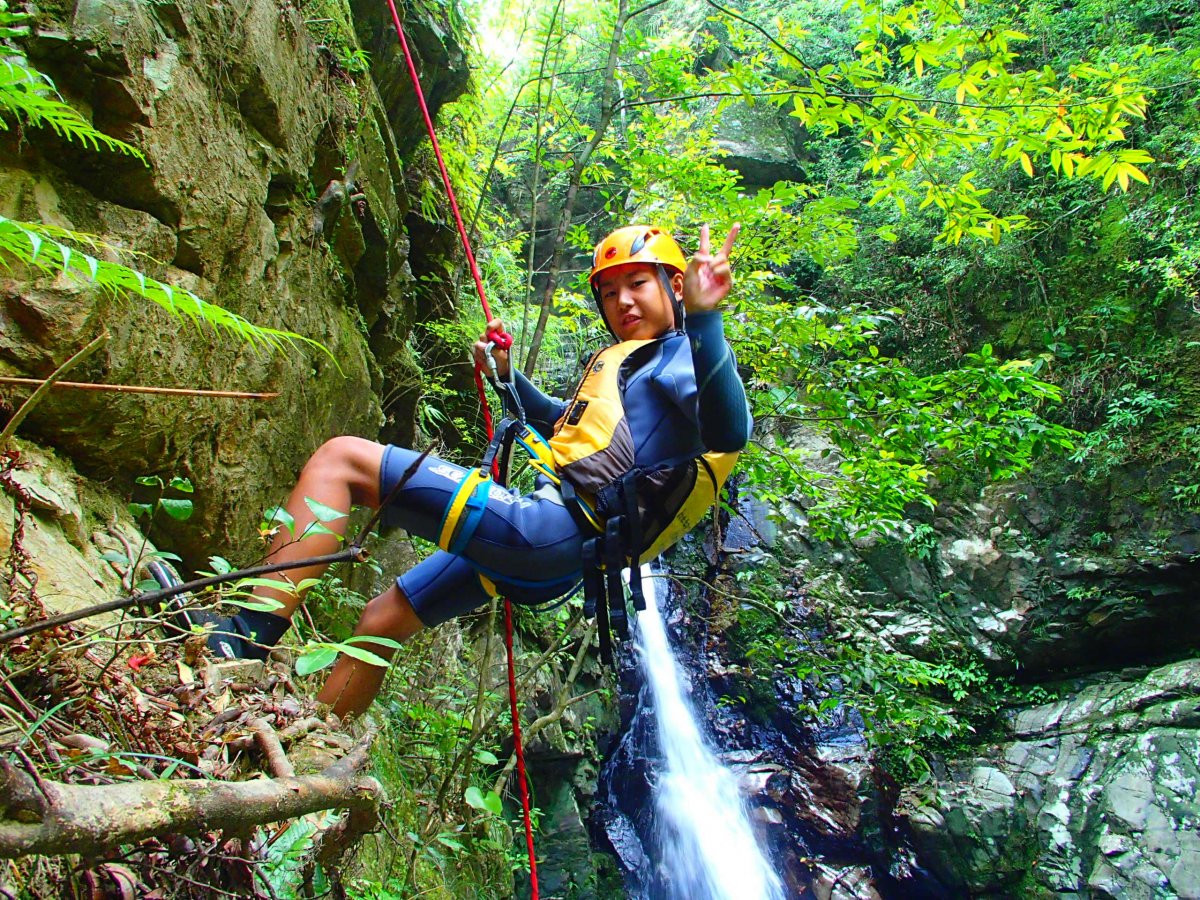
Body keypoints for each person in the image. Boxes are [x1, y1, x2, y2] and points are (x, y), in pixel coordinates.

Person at [200, 223, 751, 719]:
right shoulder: (636, 364)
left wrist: (707, 320)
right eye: (609, 292)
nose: (622, 301)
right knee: (384, 618)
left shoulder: (683, 356)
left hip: (551, 530)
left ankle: (239, 642)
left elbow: (729, 432)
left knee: (341, 459)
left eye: (637, 284)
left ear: (676, 287)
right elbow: (568, 424)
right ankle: (310, 744)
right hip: (567, 556)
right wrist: (507, 375)